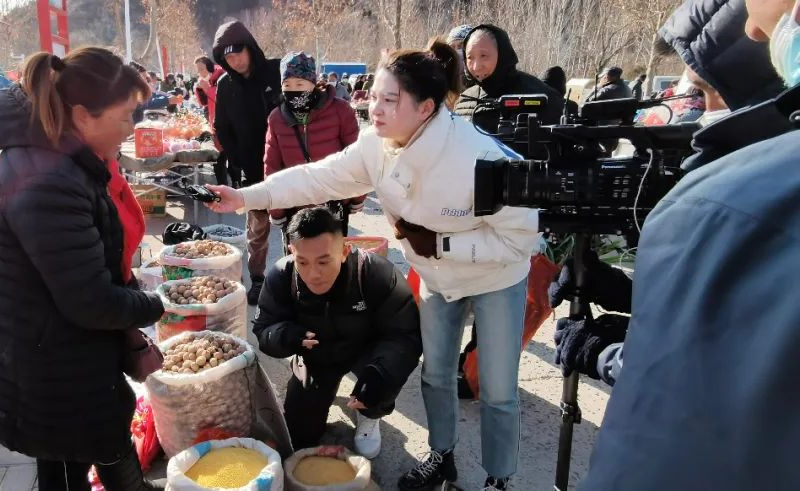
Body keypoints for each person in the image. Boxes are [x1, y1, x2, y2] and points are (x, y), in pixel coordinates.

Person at [205, 38, 540, 491]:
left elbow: (523, 238)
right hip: (439, 281)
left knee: (497, 392)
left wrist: (441, 245)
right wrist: (246, 197)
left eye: (389, 100)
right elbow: (313, 178)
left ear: (425, 108)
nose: (374, 108)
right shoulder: (376, 147)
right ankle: (442, 456)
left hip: (497, 277)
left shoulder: (479, 158)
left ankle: (499, 478)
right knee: (437, 375)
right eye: (373, 96)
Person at [558, 0, 800, 487]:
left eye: (706, 96)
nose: (754, 26)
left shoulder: (724, 204)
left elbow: (691, 425)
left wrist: (609, 354)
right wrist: (643, 298)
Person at [0, 47, 165, 491]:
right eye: (126, 115)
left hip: (55, 347)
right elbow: (90, 300)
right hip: (40, 362)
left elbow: (94, 265)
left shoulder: (66, 158)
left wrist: (132, 333)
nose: (132, 129)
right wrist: (158, 304)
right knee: (75, 455)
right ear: (82, 115)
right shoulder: (47, 180)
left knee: (86, 447)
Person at [253, 207, 422, 458]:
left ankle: (369, 415)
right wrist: (288, 337)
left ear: (344, 251)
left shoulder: (376, 273)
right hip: (316, 355)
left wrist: (381, 374)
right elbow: (264, 329)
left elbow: (405, 335)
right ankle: (310, 385)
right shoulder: (281, 275)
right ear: (292, 252)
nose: (313, 274)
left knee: (381, 384)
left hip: (366, 351)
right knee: (300, 437)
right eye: (303, 262)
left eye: (323, 261)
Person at [212, 20, 283, 305]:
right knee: (257, 228)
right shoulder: (225, 85)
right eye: (228, 57)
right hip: (252, 168)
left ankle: (296, 278)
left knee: (293, 224)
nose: (235, 61)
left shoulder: (276, 72)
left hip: (287, 164)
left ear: (251, 48)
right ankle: (257, 278)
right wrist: (236, 160)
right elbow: (222, 126)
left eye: (239, 53)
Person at [264, 52, 363, 245]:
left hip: (333, 203)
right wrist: (275, 208)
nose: (294, 90)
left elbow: (357, 157)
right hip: (294, 205)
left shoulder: (340, 110)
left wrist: (357, 197)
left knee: (332, 261)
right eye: (287, 85)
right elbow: (272, 167)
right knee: (298, 263)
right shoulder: (277, 118)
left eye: (300, 84)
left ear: (313, 82)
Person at [454, 25, 564, 135]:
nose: (476, 66)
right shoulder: (464, 101)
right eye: (470, 58)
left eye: (484, 56)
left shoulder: (542, 97)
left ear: (502, 54)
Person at [194, 55, 234, 187]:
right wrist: (199, 90)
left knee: (233, 157)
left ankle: (235, 183)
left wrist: (207, 89)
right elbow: (204, 103)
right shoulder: (207, 80)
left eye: (201, 69)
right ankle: (222, 186)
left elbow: (224, 99)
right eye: (197, 70)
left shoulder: (222, 76)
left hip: (230, 123)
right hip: (215, 123)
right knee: (218, 158)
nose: (200, 73)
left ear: (209, 66)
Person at [446, 24, 476, 89]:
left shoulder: (482, 79)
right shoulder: (445, 81)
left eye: (461, 46)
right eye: (452, 47)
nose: (457, 51)